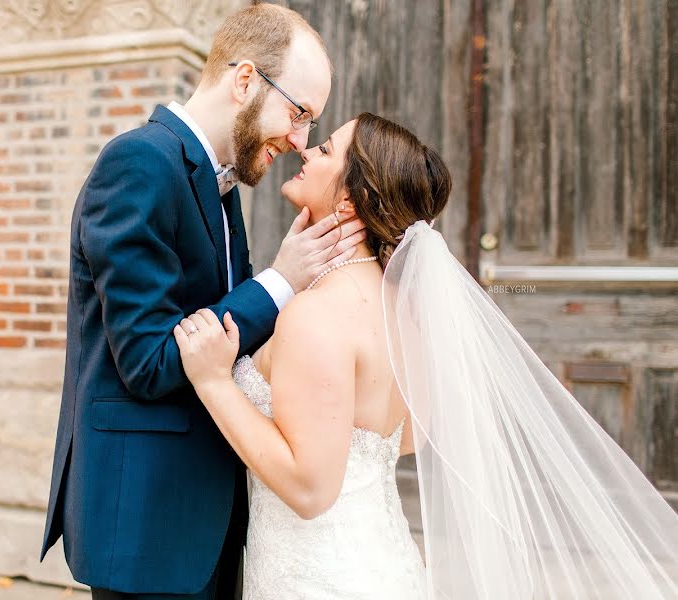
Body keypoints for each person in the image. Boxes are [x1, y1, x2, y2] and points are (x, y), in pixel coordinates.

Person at [174, 113, 678, 599]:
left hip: (321, 581)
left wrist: (216, 382)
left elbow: (310, 492)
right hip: (384, 561)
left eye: (325, 149)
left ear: (350, 201)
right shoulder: (402, 312)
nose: (306, 148)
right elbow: (405, 436)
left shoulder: (318, 315)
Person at [39, 5, 368, 599]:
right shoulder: (139, 163)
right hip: (147, 526)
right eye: (299, 114)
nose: (300, 142)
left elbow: (231, 340)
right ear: (245, 81)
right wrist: (279, 282)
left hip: (210, 519)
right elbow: (147, 362)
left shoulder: (219, 185)